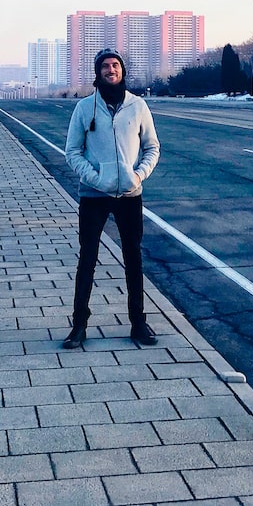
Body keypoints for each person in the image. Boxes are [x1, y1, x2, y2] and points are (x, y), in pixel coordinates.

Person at [63, 48, 160, 348]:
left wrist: (138, 175)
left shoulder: (138, 106)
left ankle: (138, 323)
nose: (111, 70)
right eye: (105, 66)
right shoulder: (84, 108)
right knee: (87, 259)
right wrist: (95, 178)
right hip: (93, 195)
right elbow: (72, 152)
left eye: (115, 65)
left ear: (122, 71)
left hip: (130, 194)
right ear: (98, 72)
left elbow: (152, 147)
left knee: (133, 258)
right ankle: (79, 325)